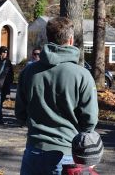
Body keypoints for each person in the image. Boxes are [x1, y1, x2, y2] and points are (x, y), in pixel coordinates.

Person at [15, 17, 99, 175]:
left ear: (48, 38)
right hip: (67, 153)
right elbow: (90, 121)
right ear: (71, 39)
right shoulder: (82, 75)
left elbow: (20, 113)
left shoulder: (29, 72)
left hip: (34, 150)